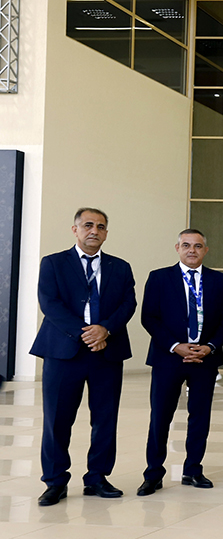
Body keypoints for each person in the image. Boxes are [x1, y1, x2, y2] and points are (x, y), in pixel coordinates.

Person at [31, 207, 137, 506]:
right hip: (63, 352)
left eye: (101, 227)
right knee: (57, 419)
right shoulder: (53, 263)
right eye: (88, 225)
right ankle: (55, 481)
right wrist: (85, 333)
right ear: (75, 229)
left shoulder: (120, 267)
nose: (94, 231)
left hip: (107, 351)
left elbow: (128, 304)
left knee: (105, 418)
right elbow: (49, 303)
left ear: (106, 233)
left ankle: (97, 478)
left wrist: (105, 330)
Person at [138, 229, 223, 495]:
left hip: (204, 359)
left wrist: (210, 347)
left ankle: (193, 470)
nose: (192, 250)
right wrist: (175, 346)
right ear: (177, 248)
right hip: (168, 358)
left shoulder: (218, 280)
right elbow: (149, 317)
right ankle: (153, 473)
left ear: (206, 250)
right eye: (187, 245)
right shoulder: (159, 278)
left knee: (200, 417)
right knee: (160, 417)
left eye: (198, 246)